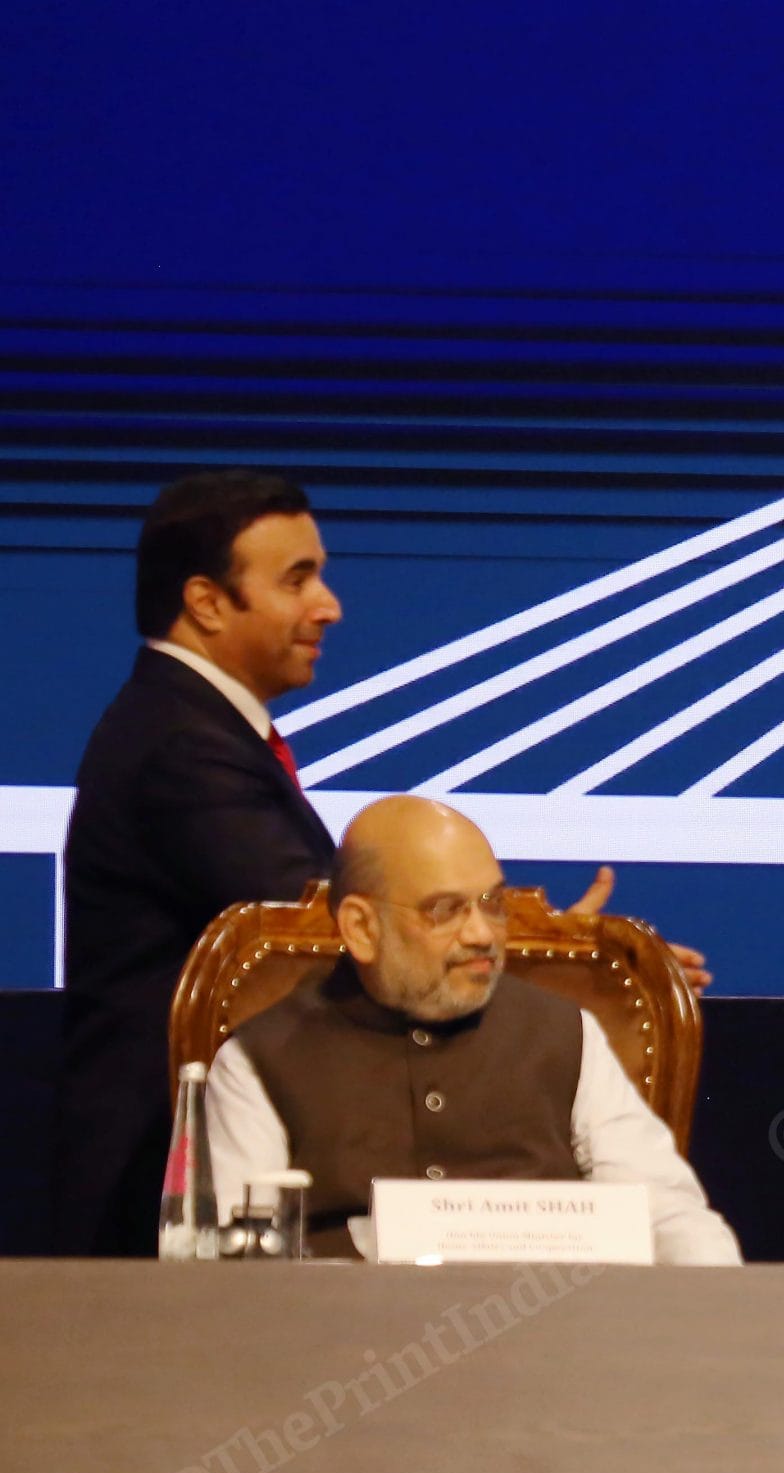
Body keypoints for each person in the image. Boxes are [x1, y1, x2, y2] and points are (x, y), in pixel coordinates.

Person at [53, 470, 706, 1256]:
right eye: (297, 579)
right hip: (166, 1185)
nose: (329, 604)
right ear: (206, 602)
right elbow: (322, 922)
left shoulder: (190, 729)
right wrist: (570, 960)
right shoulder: (179, 745)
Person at [205, 797, 740, 1265]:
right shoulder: (258, 1064)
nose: (483, 933)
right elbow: (233, 1271)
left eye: (492, 904)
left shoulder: (566, 1034)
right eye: (445, 910)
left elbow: (667, 1216)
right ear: (362, 928)